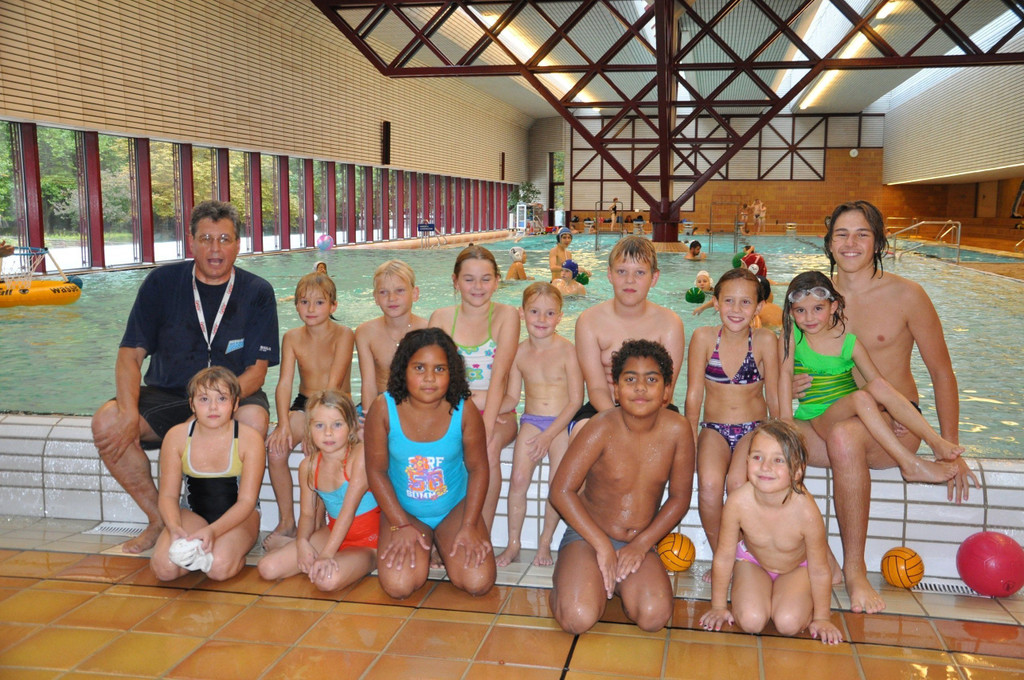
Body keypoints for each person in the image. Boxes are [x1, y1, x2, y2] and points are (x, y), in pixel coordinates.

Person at [91, 200, 279, 554]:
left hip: (232, 394)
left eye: (224, 239)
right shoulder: (161, 283)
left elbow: (256, 372)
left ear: (238, 244)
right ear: (190, 242)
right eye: (206, 238)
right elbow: (129, 355)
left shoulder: (257, 292)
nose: (215, 248)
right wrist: (129, 413)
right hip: (169, 393)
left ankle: (236, 515)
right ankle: (159, 518)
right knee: (107, 422)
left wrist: (213, 405)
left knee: (253, 419)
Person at [549, 340, 695, 634]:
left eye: (651, 380)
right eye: (630, 380)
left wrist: (641, 545)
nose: (640, 388)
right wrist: (602, 546)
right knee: (578, 617)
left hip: (638, 541)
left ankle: (618, 583)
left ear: (667, 390)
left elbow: (680, 498)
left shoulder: (678, 430)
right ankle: (574, 582)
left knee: (654, 617)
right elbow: (560, 491)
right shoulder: (601, 426)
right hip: (588, 537)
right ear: (616, 389)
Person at [779, 269, 962, 485]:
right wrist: (785, 419)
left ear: (833, 307)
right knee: (861, 397)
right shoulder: (792, 335)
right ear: (791, 312)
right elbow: (785, 373)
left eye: (818, 308)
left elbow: (879, 383)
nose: (809, 317)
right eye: (800, 310)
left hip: (850, 414)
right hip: (819, 417)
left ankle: (935, 441)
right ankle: (909, 464)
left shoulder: (849, 342)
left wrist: (892, 412)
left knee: (877, 387)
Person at [363, 328, 496, 598]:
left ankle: (442, 541)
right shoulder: (383, 408)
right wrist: (400, 524)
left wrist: (469, 525)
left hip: (454, 509)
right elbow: (376, 471)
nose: (429, 378)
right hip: (405, 511)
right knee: (399, 586)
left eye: (439, 369)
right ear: (403, 369)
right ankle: (429, 541)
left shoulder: (464, 409)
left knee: (478, 581)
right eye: (419, 368)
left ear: (452, 373)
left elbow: (479, 468)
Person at [699, 420, 842, 645]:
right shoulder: (738, 502)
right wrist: (718, 606)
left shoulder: (805, 510)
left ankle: (804, 600)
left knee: (788, 622)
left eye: (778, 460)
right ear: (747, 462)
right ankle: (761, 594)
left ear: (797, 470)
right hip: (752, 562)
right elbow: (725, 556)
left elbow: (818, 568)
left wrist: (822, 618)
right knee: (751, 620)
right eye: (758, 457)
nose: (765, 467)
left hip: (796, 568)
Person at [684, 268, 779, 579]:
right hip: (714, 428)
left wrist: (782, 442)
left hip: (754, 429)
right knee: (709, 486)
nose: (736, 309)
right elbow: (694, 395)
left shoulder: (765, 340)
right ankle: (722, 556)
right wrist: (689, 441)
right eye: (728, 301)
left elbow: (774, 396)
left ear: (759, 306)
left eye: (745, 302)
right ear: (715, 302)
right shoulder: (703, 338)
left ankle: (742, 554)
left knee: (737, 484)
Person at [428, 246, 520, 531]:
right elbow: (433, 377)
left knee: (487, 447)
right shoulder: (441, 318)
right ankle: (440, 529)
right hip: (453, 408)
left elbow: (499, 378)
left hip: (497, 410)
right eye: (469, 279)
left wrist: (487, 426)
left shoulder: (506, 316)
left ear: (497, 281)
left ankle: (482, 533)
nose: (478, 286)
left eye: (485, 279)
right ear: (455, 281)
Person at [265, 271, 355, 550]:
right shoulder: (292, 337)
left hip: (336, 404)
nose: (311, 309)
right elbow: (284, 384)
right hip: (304, 402)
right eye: (304, 302)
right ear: (296, 306)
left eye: (319, 302)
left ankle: (318, 523)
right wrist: (283, 424)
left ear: (333, 305)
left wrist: (315, 428)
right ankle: (287, 521)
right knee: (276, 450)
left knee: (320, 450)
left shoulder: (344, 334)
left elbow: (333, 385)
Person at [496, 283, 583, 567]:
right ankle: (513, 544)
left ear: (560, 316)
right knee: (518, 480)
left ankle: (545, 542)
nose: (542, 319)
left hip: (561, 423)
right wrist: (492, 411)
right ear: (522, 313)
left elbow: (576, 401)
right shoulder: (518, 353)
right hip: (532, 421)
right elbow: (512, 397)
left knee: (557, 485)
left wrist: (550, 435)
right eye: (534, 312)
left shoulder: (568, 351)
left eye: (549, 313)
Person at [150, 367, 264, 581]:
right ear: (192, 404)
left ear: (235, 404)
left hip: (240, 517)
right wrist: (174, 527)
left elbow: (247, 502)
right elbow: (168, 496)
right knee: (165, 569)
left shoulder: (249, 439)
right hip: (193, 514)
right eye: (204, 399)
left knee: (218, 567)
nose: (213, 407)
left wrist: (214, 531)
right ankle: (203, 549)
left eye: (222, 398)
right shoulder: (177, 437)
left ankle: (231, 547)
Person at [258, 390, 378, 592]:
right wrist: (302, 543)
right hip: (332, 533)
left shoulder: (360, 456)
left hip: (368, 542)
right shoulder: (309, 466)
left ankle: (339, 558)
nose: (328, 433)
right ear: (309, 429)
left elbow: (347, 513)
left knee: (326, 580)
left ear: (351, 426)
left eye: (337, 425)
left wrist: (326, 554)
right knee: (267, 568)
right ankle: (295, 545)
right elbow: (307, 514)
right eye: (319, 425)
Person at [571, 236, 685, 437]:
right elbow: (597, 388)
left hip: (656, 409)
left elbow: (666, 390)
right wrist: (621, 425)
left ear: (654, 278)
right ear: (610, 274)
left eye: (639, 272)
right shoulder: (589, 321)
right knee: (582, 432)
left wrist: (638, 425)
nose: (629, 280)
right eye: (621, 271)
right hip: (604, 407)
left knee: (677, 432)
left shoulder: (670, 324)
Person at [355, 260, 428, 414]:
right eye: (383, 292)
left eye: (399, 290)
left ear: (415, 294)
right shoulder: (365, 332)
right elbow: (368, 384)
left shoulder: (428, 330)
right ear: (375, 297)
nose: (392, 298)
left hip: (418, 404)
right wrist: (369, 417)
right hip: (380, 403)